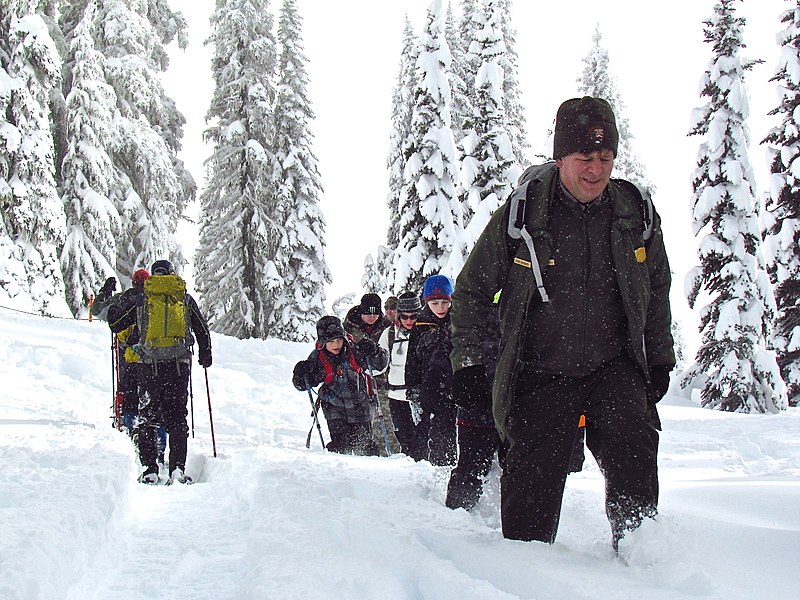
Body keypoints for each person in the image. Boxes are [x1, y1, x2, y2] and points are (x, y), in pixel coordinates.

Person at [449, 96, 675, 549]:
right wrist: (470, 363)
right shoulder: (524, 214)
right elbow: (472, 290)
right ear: (559, 157)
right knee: (530, 494)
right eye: (585, 158)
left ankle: (643, 561)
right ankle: (524, 575)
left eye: (606, 157)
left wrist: (659, 359)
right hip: (541, 371)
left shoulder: (635, 215)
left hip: (613, 366)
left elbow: (656, 290)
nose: (596, 169)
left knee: (635, 447)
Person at [108, 259, 212, 485]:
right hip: (178, 366)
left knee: (148, 417)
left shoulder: (144, 297)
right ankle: (177, 469)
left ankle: (150, 469)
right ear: (171, 273)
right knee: (177, 417)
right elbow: (202, 329)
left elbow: (117, 324)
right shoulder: (182, 296)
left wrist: (114, 307)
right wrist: (206, 355)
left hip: (148, 367)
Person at [93, 270, 168, 463]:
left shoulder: (124, 299)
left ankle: (130, 430)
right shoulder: (155, 299)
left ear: (134, 282)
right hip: (154, 358)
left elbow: (98, 310)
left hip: (127, 357)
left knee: (129, 395)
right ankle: (159, 440)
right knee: (153, 402)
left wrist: (105, 292)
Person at [292, 316, 389, 456]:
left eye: (339, 340)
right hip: (334, 409)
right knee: (340, 446)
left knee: (365, 445)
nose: (336, 344)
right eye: (330, 341)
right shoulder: (318, 358)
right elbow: (304, 384)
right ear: (322, 342)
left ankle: (368, 472)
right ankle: (340, 472)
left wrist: (375, 351)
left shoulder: (354, 350)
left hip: (360, 407)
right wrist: (300, 375)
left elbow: (380, 364)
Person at [405, 274, 457, 466]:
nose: (441, 308)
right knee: (439, 439)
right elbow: (412, 362)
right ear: (427, 302)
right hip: (431, 391)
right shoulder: (420, 325)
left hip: (459, 388)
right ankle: (440, 477)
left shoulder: (460, 320)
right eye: (435, 303)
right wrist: (413, 391)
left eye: (445, 302)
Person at [344, 293, 397, 454]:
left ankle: (388, 453)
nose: (372, 317)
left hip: (381, 382)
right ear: (361, 312)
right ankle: (360, 452)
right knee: (359, 421)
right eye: (368, 313)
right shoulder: (349, 327)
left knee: (384, 420)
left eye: (375, 313)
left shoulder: (387, 327)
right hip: (355, 382)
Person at [377, 291, 427, 461]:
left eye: (413, 316)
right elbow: (378, 367)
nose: (409, 321)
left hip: (419, 396)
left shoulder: (425, 331)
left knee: (422, 442)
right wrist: (373, 356)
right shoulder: (389, 334)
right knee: (404, 441)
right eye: (404, 316)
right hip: (396, 397)